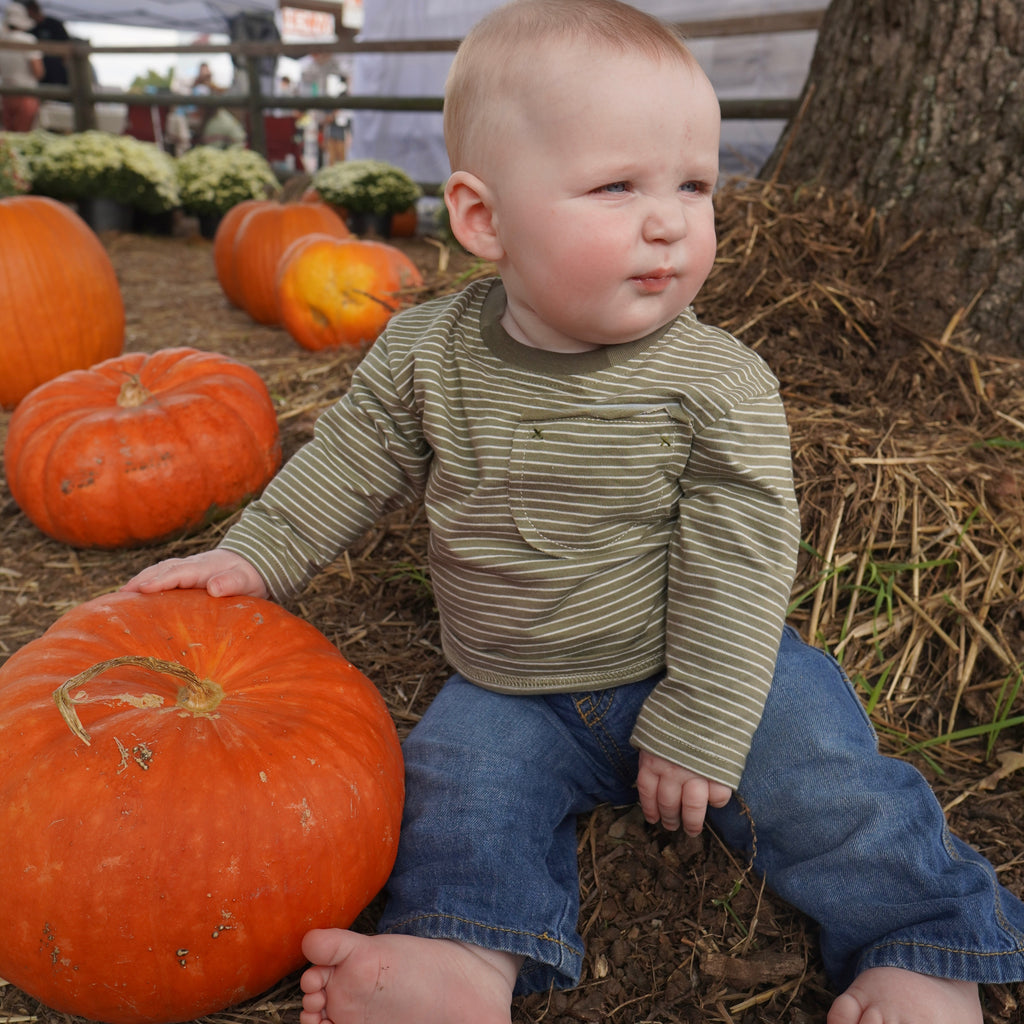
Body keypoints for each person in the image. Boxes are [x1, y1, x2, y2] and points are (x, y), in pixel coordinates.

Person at [123, 3, 1024, 1023]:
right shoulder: (426, 353)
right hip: (511, 683)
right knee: (455, 790)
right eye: (618, 186)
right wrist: (255, 559)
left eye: (694, 184)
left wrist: (705, 716)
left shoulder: (717, 382)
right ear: (483, 219)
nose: (670, 220)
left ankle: (926, 943)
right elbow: (351, 458)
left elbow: (740, 555)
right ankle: (466, 954)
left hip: (699, 660)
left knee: (825, 772)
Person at [0, 2, 42, 132]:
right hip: (26, 93)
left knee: (9, 134)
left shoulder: (3, 40)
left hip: (6, 93)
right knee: (23, 135)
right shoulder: (28, 40)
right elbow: (38, 71)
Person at [24, 0, 67, 86]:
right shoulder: (30, 28)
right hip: (41, 73)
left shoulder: (54, 24)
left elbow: (67, 45)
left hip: (57, 71)